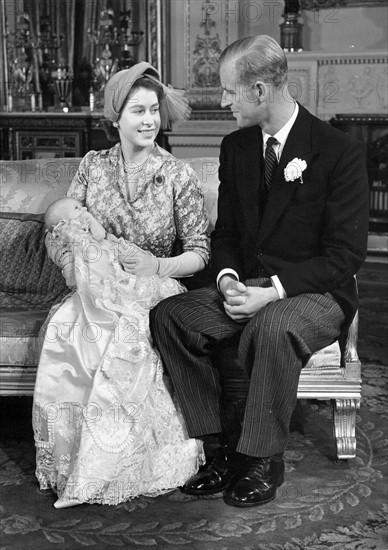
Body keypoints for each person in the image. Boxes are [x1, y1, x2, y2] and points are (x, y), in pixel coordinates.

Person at [150, 35, 369, 508]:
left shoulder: (339, 151)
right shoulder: (236, 148)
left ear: (260, 91)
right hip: (248, 286)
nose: (224, 101)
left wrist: (271, 292)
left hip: (316, 293)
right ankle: (220, 450)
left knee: (274, 323)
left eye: (230, 91)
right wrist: (228, 278)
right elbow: (226, 232)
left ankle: (260, 459)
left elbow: (344, 257)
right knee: (171, 316)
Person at [32, 62, 210, 509]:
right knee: (69, 325)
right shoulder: (93, 167)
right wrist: (74, 263)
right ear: (116, 117)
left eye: (153, 110)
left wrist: (156, 265)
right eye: (137, 111)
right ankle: (78, 462)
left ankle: (127, 463)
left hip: (155, 285)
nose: (149, 120)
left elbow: (199, 254)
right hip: (98, 285)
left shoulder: (178, 176)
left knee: (129, 332)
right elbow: (61, 230)